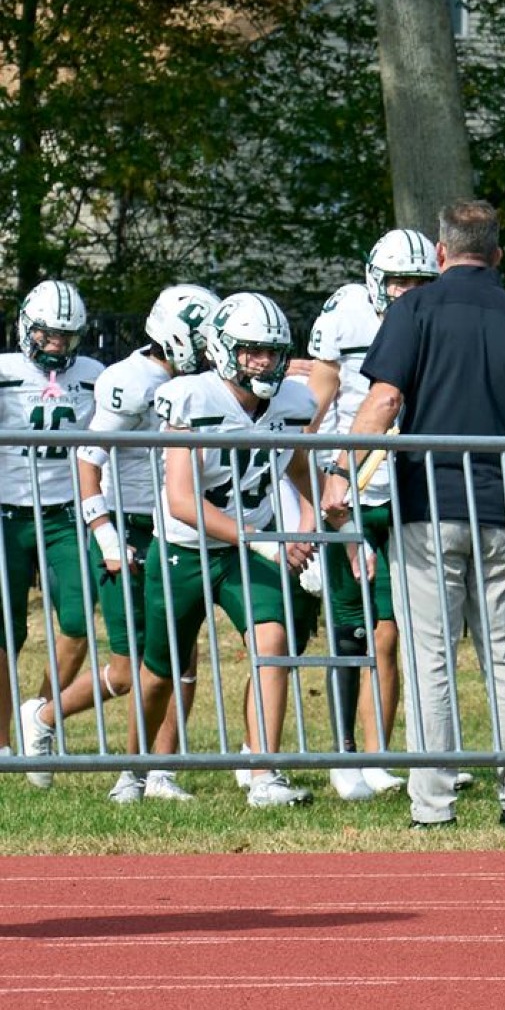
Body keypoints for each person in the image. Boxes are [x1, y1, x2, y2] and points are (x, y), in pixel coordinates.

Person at [321, 199, 505, 829]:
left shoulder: (412, 308)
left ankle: (433, 804)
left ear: (440, 254)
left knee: (429, 656)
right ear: (497, 255)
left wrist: (343, 475)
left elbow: (384, 398)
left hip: (428, 507)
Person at [22, 284, 220, 801]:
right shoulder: (129, 381)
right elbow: (89, 460)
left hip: (173, 527)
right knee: (132, 668)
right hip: (127, 525)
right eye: (205, 339)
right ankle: (43, 715)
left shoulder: (200, 381)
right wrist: (105, 535)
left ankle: (161, 771)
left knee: (184, 655)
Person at [137, 292, 319, 807]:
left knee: (273, 643)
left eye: (272, 351)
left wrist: (307, 518)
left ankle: (264, 774)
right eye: (251, 350)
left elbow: (298, 464)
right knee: (158, 673)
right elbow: (181, 500)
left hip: (245, 548)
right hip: (185, 549)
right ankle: (140, 768)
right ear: (223, 349)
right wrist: (261, 541)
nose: (264, 362)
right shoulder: (191, 397)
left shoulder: (292, 403)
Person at [302, 229, 438, 801]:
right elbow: (317, 407)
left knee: (391, 632)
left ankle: (379, 751)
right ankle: (344, 754)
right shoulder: (345, 312)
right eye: (398, 280)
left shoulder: (435, 317)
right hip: (349, 486)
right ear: (373, 279)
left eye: (418, 281)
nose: (407, 291)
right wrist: (314, 500)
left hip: (408, 484)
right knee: (349, 631)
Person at [4, 280, 105, 774]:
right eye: (47, 335)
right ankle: (2, 742)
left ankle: (37, 719)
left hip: (67, 513)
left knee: (78, 619)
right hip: (6, 509)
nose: (56, 345)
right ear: (27, 327)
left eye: (66, 336)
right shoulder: (4, 371)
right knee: (3, 631)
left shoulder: (94, 375)